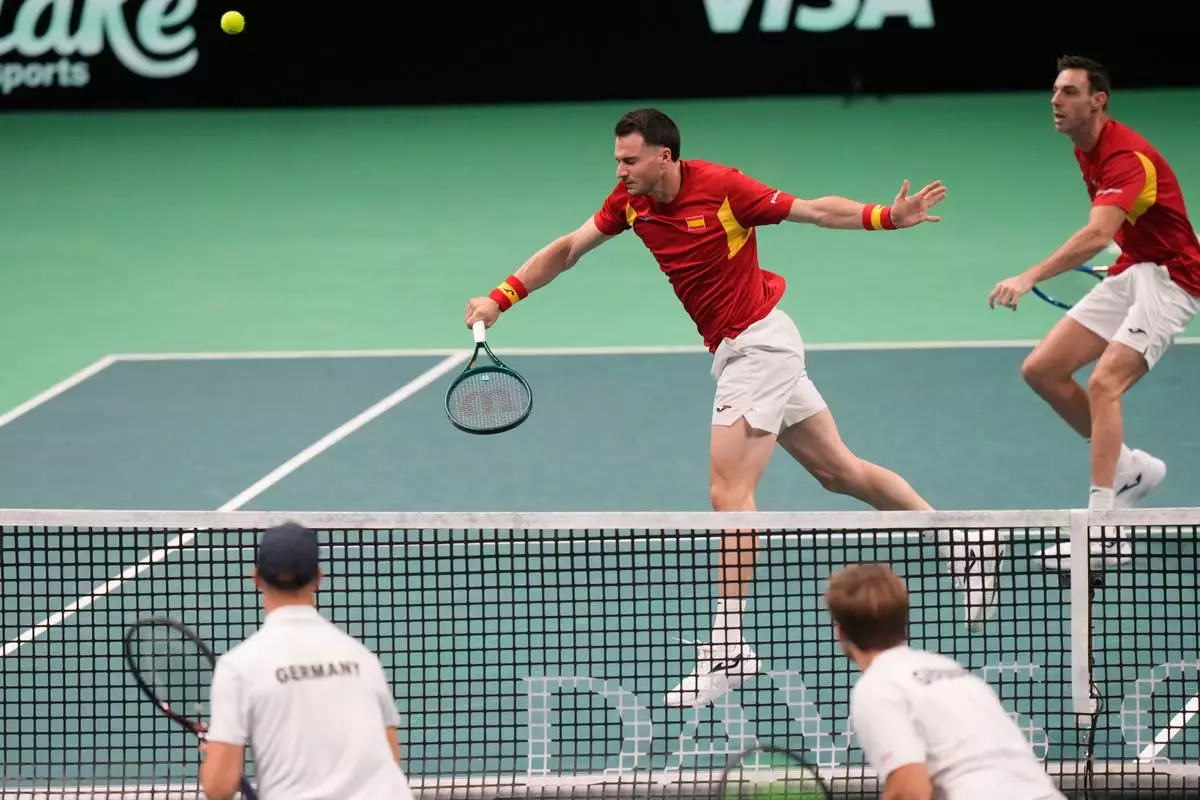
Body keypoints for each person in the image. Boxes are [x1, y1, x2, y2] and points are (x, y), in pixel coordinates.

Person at [463, 108, 1006, 709]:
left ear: (664, 157)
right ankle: (964, 534)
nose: (620, 170)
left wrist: (884, 217)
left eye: (629, 159)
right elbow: (568, 249)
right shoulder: (630, 202)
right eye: (617, 160)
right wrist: (501, 296)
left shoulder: (724, 189)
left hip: (759, 346)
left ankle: (728, 647)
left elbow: (815, 209)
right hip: (743, 347)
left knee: (729, 494)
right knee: (839, 472)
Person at [988, 55, 1200, 569]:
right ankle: (1128, 467)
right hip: (1135, 268)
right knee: (1043, 370)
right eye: (1055, 92)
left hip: (1172, 282)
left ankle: (1103, 529)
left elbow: (1096, 234)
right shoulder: (1088, 148)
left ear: (1097, 100)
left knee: (1105, 384)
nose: (1056, 101)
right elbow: (1123, 229)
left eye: (1068, 92)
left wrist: (1029, 275)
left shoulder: (1124, 156)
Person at [198, 522, 413, 800]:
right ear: (318, 578)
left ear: (257, 578)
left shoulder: (238, 667)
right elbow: (390, 757)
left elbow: (219, 787)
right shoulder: (362, 658)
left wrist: (217, 756)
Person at [827, 562, 1066, 800]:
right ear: (902, 621)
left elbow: (910, 791)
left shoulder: (877, 686)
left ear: (841, 634)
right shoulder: (953, 672)